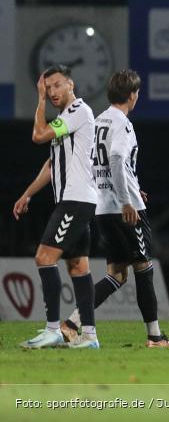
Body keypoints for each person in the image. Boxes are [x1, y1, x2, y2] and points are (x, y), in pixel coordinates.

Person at [60, 70, 169, 348]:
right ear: (132, 95)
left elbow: (95, 164)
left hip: (102, 207)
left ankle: (72, 323)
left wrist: (130, 186)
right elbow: (115, 158)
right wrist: (127, 199)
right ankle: (155, 337)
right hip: (125, 209)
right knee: (144, 267)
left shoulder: (98, 121)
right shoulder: (122, 124)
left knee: (116, 274)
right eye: (137, 93)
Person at [13, 65, 100, 349]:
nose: (52, 91)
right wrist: (27, 194)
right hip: (75, 199)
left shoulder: (78, 111)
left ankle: (53, 329)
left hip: (76, 200)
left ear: (71, 84)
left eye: (57, 85)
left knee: (44, 257)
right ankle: (89, 336)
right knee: (78, 266)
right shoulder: (65, 119)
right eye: (48, 87)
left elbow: (38, 135)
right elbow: (52, 165)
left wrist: (38, 99)